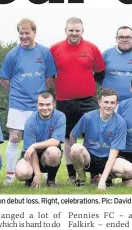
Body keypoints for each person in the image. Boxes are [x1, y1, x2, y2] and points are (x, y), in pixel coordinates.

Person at [0, 18, 57, 185]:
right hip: (18, 104)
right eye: (21, 33)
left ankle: (45, 174)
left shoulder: (44, 52)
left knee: (42, 139)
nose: (24, 36)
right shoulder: (13, 54)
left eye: (27, 33)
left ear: (34, 33)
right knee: (15, 137)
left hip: (39, 106)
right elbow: (4, 80)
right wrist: (17, 94)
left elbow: (49, 78)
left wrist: (39, 97)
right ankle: (10, 175)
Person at [50, 17, 105, 184]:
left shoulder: (92, 48)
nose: (74, 33)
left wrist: (84, 84)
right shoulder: (54, 49)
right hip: (64, 101)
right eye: (71, 30)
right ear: (65, 30)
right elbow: (50, 75)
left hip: (88, 100)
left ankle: (95, 174)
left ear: (82, 31)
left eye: (77, 30)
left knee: (93, 135)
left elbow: (100, 73)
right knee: (68, 138)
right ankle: (72, 175)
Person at [69, 88, 132, 190]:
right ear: (99, 102)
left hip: (107, 158)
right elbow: (73, 135)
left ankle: (106, 177)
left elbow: (113, 155)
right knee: (75, 148)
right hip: (89, 158)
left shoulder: (121, 123)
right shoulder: (88, 117)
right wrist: (76, 158)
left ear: (116, 104)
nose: (109, 105)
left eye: (112, 102)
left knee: (130, 171)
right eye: (106, 102)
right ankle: (81, 177)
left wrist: (102, 180)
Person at [14, 91, 65, 188]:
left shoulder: (60, 116)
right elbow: (31, 150)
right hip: (32, 154)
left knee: (54, 152)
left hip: (48, 155)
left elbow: (55, 141)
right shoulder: (30, 121)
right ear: (37, 105)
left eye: (48, 104)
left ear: (53, 104)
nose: (45, 108)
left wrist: (34, 145)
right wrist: (37, 174)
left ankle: (51, 180)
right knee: (22, 173)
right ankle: (31, 179)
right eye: (41, 104)